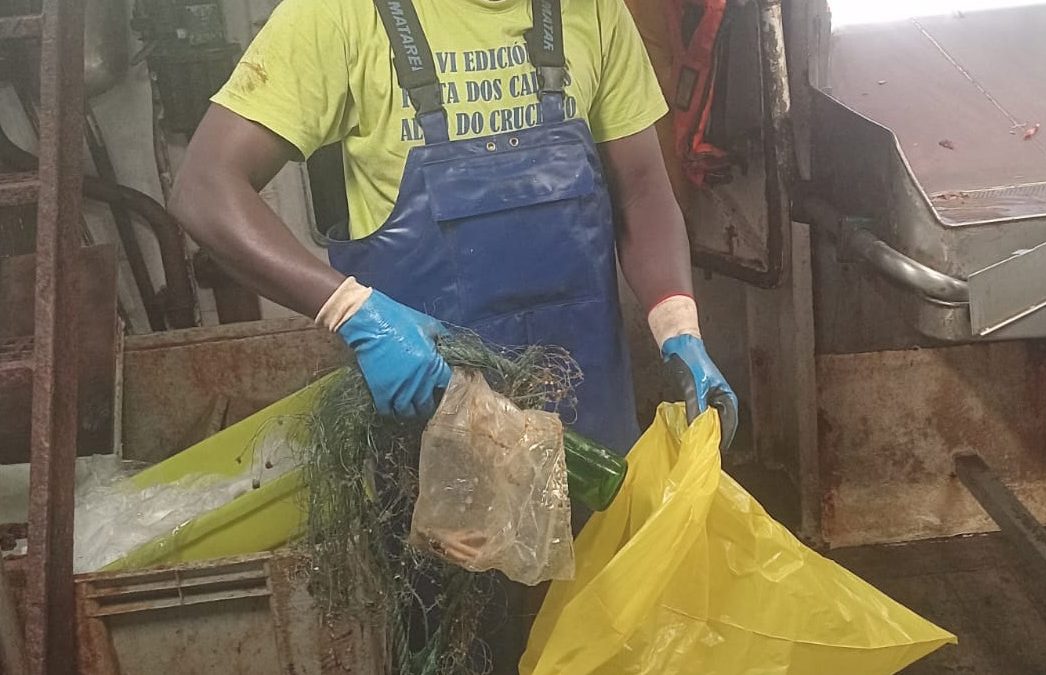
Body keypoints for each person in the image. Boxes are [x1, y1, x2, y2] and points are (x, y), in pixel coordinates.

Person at [172, 0, 736, 450]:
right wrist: (351, 311)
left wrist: (678, 325)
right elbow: (206, 187)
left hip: (589, 427)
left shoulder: (593, 12)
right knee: (448, 590)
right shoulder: (340, 15)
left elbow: (641, 190)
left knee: (601, 591)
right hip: (430, 435)